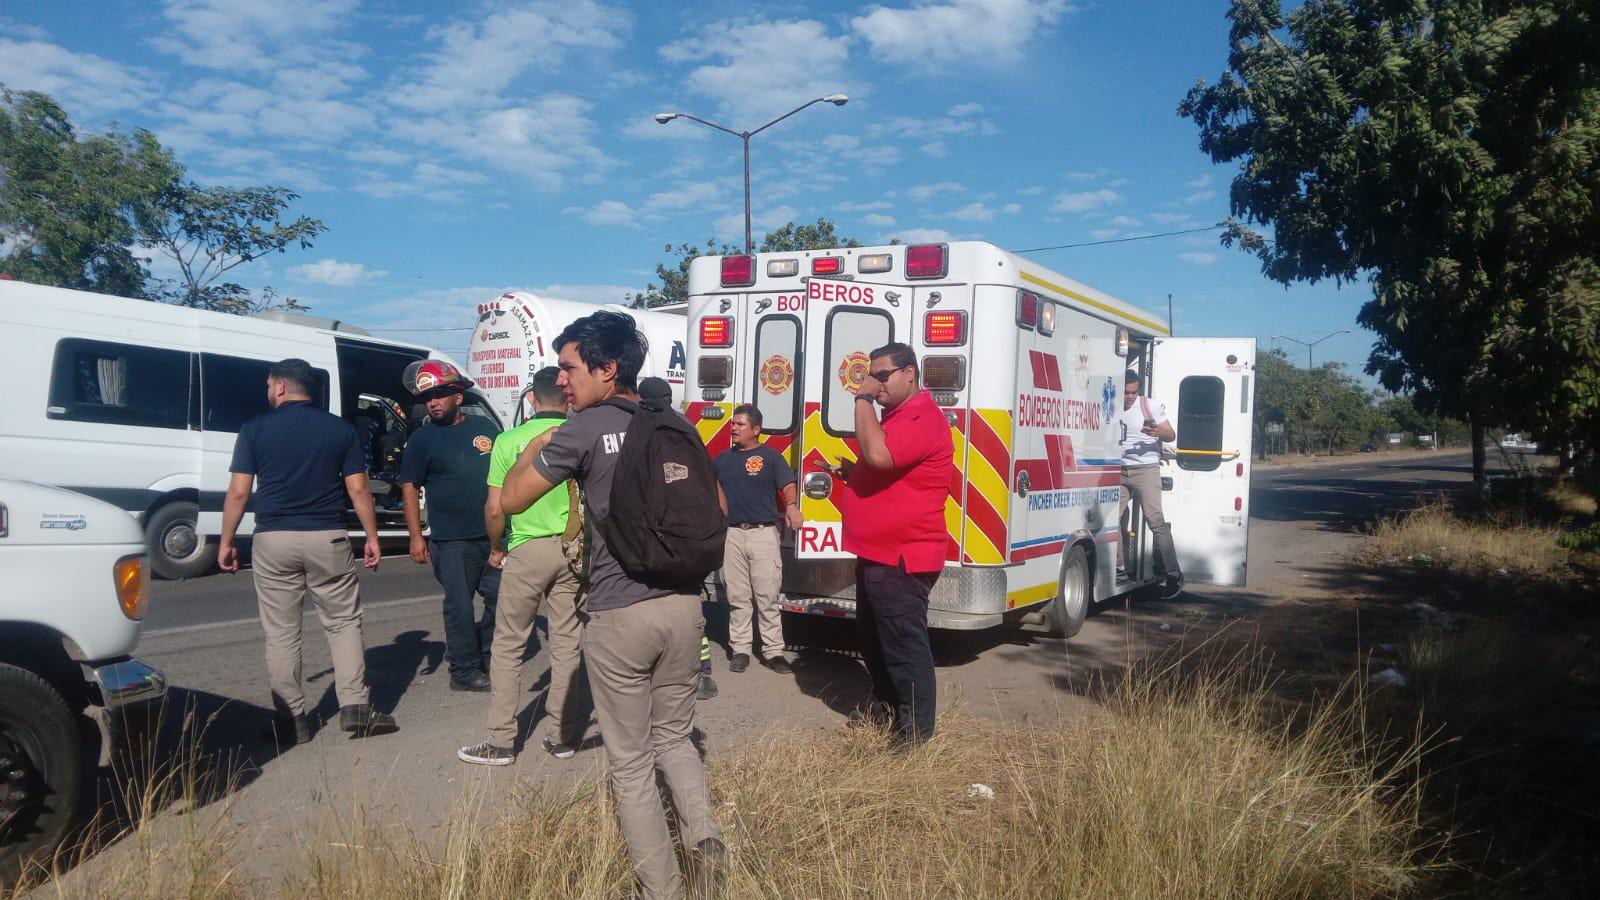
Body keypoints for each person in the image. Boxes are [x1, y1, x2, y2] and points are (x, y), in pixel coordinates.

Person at [500, 311, 724, 899]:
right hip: (683, 608)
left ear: (607, 368)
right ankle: (705, 837)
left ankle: (663, 890)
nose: (562, 379)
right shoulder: (676, 424)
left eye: (571, 368)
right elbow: (715, 505)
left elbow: (512, 500)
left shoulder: (582, 428)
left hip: (620, 612)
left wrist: (544, 441)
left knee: (629, 764)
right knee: (674, 738)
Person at [218, 358, 397, 743]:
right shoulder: (339, 430)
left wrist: (228, 540)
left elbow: (238, 491)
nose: (267, 392)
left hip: (273, 539)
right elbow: (359, 489)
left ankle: (292, 721)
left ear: (281, 387)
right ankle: (356, 708)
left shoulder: (253, 429)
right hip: (327, 537)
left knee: (282, 633)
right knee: (343, 622)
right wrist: (372, 537)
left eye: (269, 386)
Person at [458, 367, 586, 766]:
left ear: (531, 399)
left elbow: (495, 507)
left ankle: (500, 741)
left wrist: (496, 546)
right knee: (567, 643)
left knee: (509, 643)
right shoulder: (579, 437)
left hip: (527, 548)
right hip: (573, 550)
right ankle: (561, 736)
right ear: (567, 397)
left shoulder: (508, 441)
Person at [834, 342, 954, 748]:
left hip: (902, 557)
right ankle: (889, 715)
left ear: (909, 374)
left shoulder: (921, 415)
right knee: (876, 644)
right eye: (872, 375)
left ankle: (914, 736)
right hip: (878, 555)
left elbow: (881, 456)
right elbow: (886, 471)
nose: (874, 382)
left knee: (903, 649)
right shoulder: (898, 416)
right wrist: (853, 474)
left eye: (882, 375)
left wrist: (862, 398)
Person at [398, 360, 502, 693]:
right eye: (428, 397)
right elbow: (410, 487)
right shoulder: (421, 440)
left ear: (458, 396)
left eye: (440, 394)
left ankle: (487, 657)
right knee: (458, 607)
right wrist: (416, 537)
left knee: (502, 600)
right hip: (450, 540)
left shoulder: (487, 431)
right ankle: (463, 670)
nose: (433, 402)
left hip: (492, 537)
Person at [639, 376, 720, 701]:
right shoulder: (689, 428)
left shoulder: (640, 429)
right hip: (691, 531)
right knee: (690, 604)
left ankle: (663, 673)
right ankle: (702, 672)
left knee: (653, 608)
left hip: (656, 532)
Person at [712, 405, 801, 675]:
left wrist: (793, 506)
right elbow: (714, 491)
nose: (734, 428)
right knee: (737, 596)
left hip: (763, 533)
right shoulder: (722, 460)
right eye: (733, 424)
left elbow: (787, 484)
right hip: (733, 534)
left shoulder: (771, 458)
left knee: (767, 596)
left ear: (756, 429)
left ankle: (773, 652)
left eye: (740, 424)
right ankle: (740, 649)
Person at [1117, 369, 1184, 599]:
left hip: (1146, 469)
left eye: (1133, 392)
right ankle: (1121, 567)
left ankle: (1174, 573)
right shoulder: (1112, 404)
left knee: (1155, 520)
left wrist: (1156, 431)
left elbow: (1171, 434)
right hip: (1120, 470)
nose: (1129, 397)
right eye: (1126, 392)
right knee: (1111, 517)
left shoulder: (1149, 406)